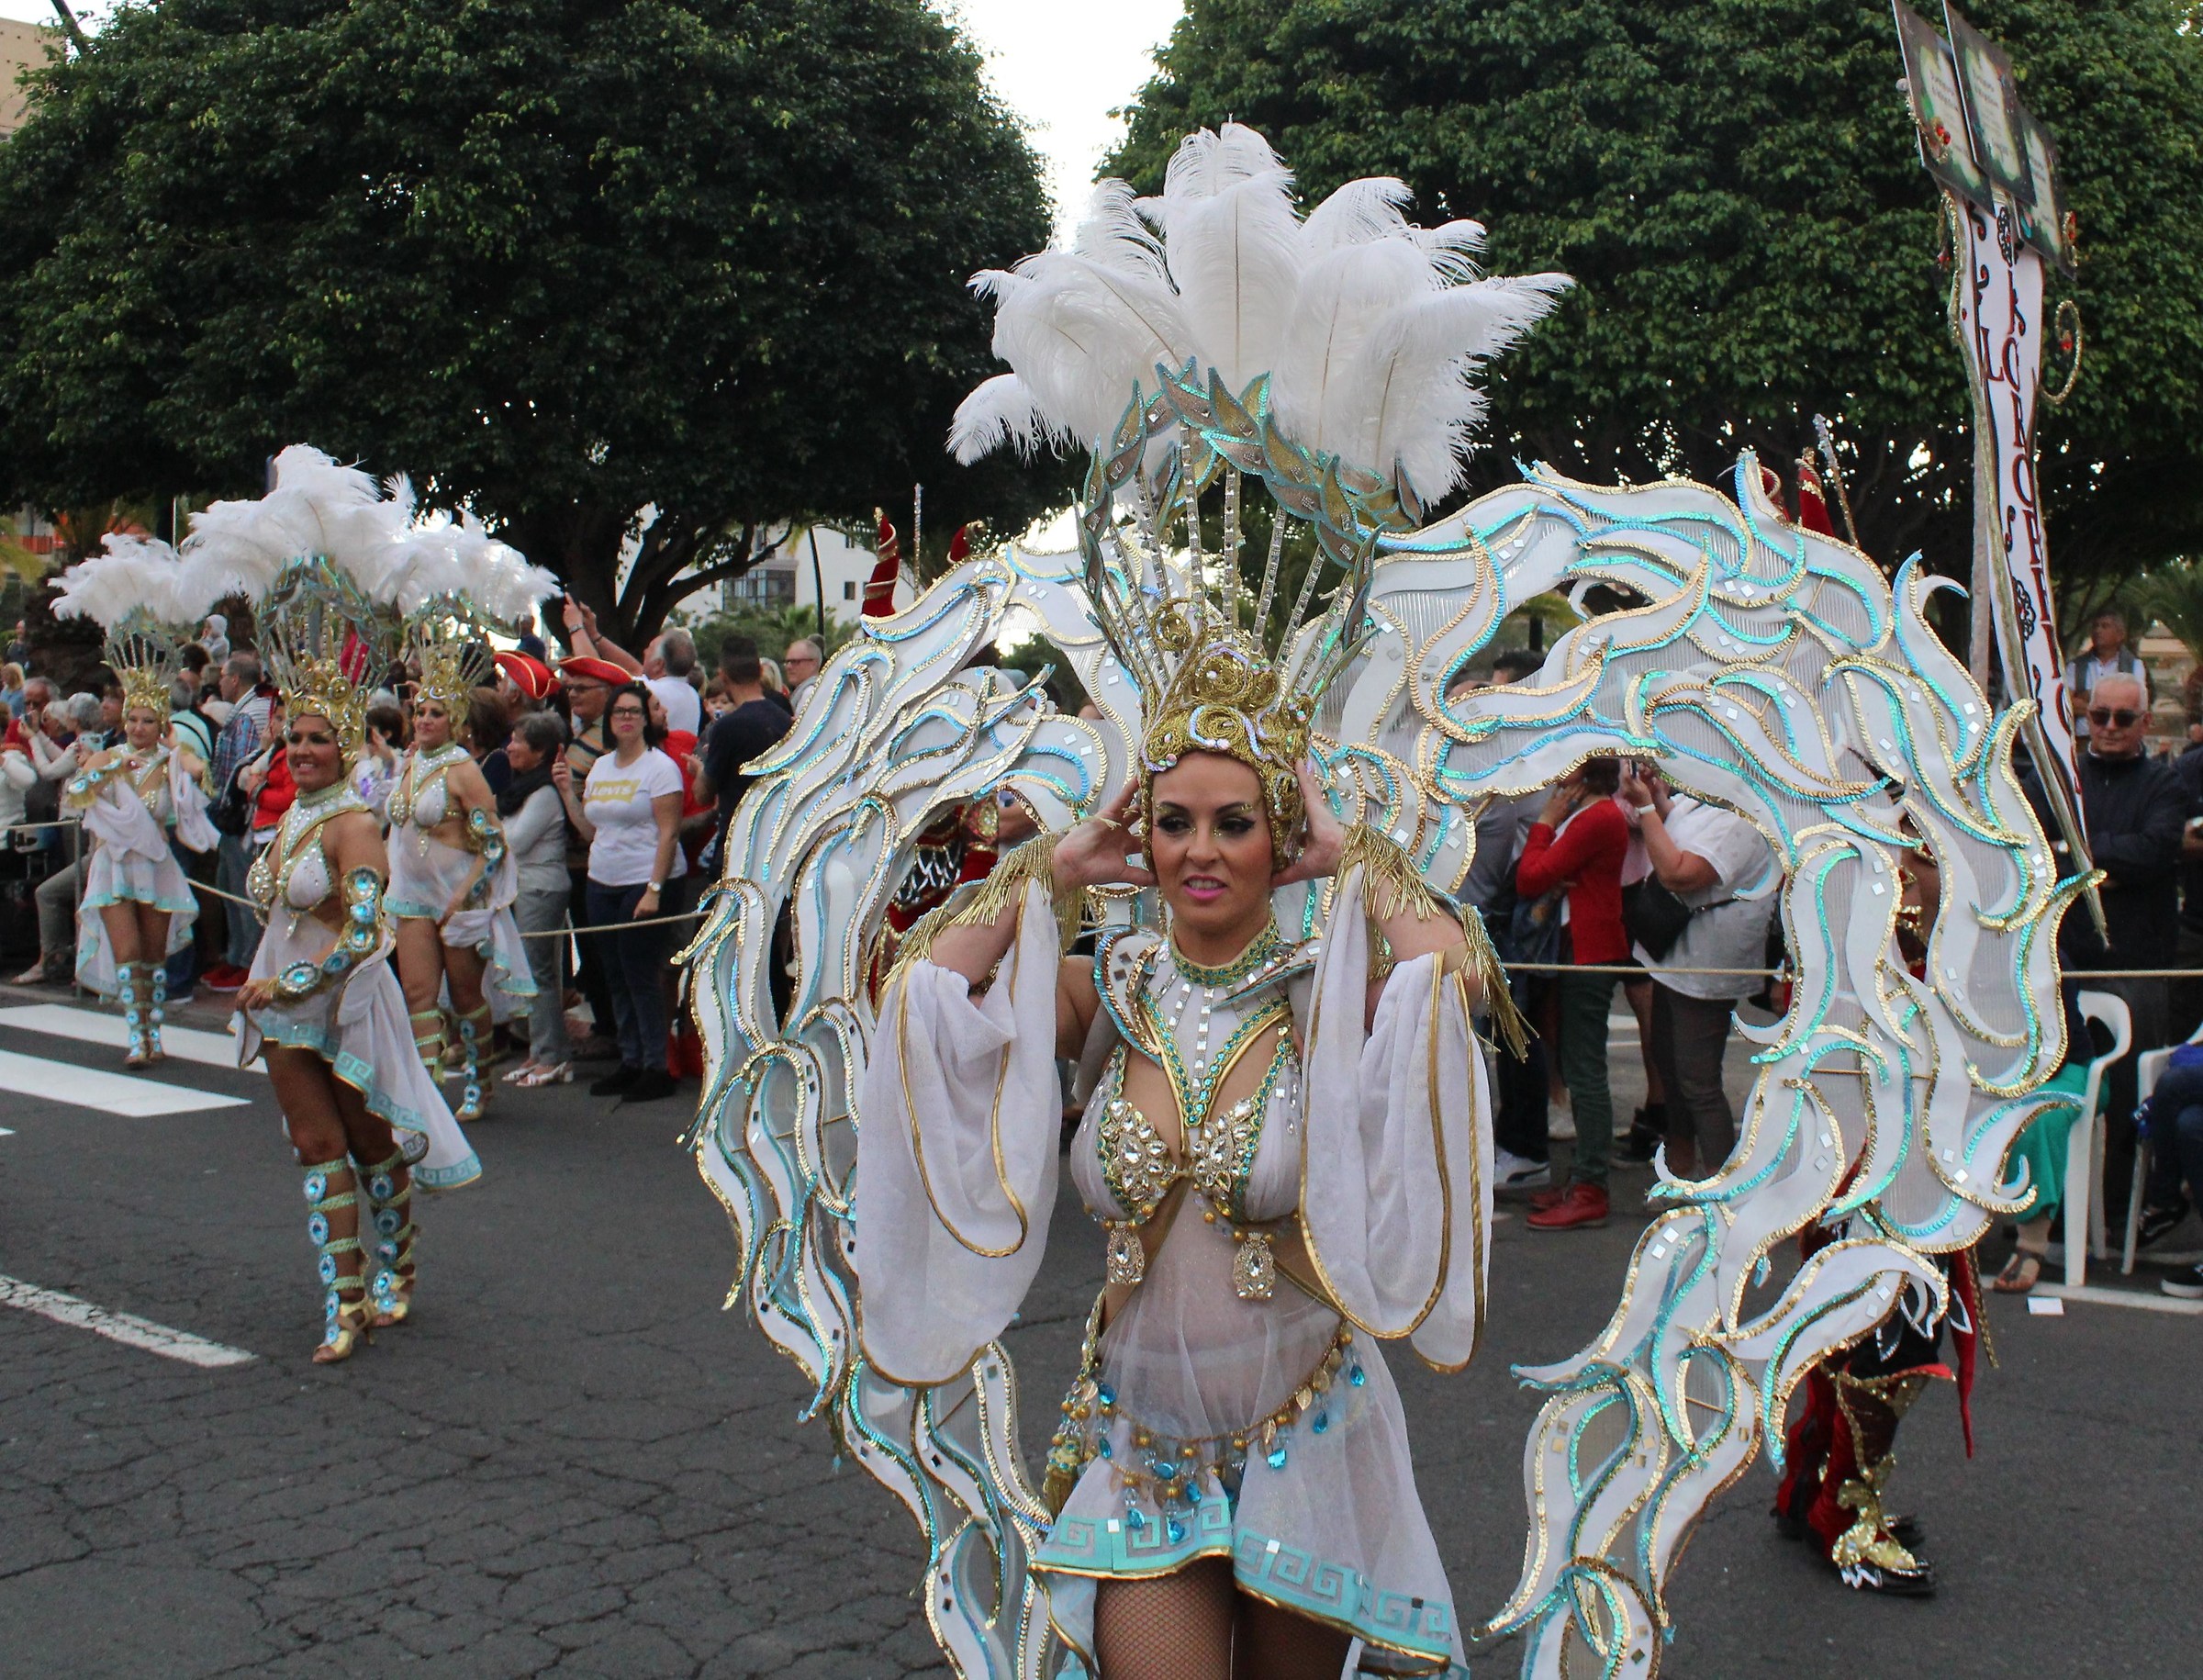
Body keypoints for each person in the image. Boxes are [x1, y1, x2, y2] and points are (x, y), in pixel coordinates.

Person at [857, 683, 1506, 1680]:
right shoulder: (1108, 990)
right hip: (1143, 1446)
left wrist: (1353, 859)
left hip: (1308, 1435)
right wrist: (1051, 871)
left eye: (1234, 823)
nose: (1200, 850)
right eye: (1174, 822)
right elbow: (920, 998)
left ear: (1277, 840)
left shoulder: (1324, 1001)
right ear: (1144, 836)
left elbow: (1460, 978)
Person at [230, 556, 481, 1364]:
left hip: (344, 1004)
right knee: (312, 1145)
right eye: (294, 737)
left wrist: (290, 982)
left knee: (371, 1142)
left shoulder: (355, 825)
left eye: (319, 739)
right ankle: (343, 1302)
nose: (303, 750)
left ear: (345, 745)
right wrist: (269, 985)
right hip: (282, 1006)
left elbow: (364, 932)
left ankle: (395, 1270)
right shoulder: (289, 817)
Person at [49, 563, 221, 1064]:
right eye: (133, 719)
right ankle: (136, 1038)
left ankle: (155, 1030)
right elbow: (79, 795)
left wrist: (177, 753)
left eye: (149, 720)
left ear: (161, 722)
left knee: (151, 956)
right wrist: (99, 773)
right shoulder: (109, 758)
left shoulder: (170, 762)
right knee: (127, 956)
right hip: (113, 865)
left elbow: (199, 774)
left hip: (155, 865)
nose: (139, 728)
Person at [386, 637, 534, 1126]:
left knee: (467, 998)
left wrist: (463, 894)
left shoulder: (463, 769)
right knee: (418, 995)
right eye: (420, 711)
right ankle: (428, 1086)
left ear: (456, 723)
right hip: (411, 894)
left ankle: (478, 1080)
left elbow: (493, 843)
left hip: (455, 896)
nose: (425, 719)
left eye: (436, 713)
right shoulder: (408, 763)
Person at [1617, 764, 1776, 1178]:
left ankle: (1722, 1185)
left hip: (1707, 964)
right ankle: (1682, 1167)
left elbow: (1679, 873)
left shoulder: (1745, 815)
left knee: (1698, 1081)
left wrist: (1646, 808)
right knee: (1670, 1068)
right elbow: (1678, 825)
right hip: (1672, 954)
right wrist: (1658, 800)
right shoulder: (1712, 794)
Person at [553, 679, 684, 1100]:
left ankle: (655, 1065)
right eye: (618, 713)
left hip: (643, 879)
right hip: (602, 880)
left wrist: (654, 888)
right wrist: (565, 795)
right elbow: (593, 830)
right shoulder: (602, 767)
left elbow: (668, 834)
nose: (625, 719)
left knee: (640, 972)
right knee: (613, 974)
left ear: (647, 719)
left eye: (633, 712)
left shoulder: (659, 768)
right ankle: (630, 1060)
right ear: (609, 721)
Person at [1515, 756, 1631, 1230]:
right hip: (1581, 947)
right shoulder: (1595, 814)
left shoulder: (1597, 817)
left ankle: (1590, 1186)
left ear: (1582, 773)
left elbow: (1530, 878)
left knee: (1585, 1070)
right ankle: (1583, 1178)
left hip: (1590, 952)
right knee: (1579, 1064)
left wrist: (1544, 825)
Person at [1453, 649, 1551, 1193]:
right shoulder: (1497, 771)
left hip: (1485, 925)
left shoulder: (1495, 785)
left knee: (1491, 1043)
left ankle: (1502, 1149)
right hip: (1483, 920)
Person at [498, 711, 574, 1088]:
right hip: (525, 886)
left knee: (539, 974)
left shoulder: (543, 794)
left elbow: (514, 841)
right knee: (531, 972)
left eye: (518, 741)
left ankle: (552, 1055)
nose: (510, 747)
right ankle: (539, 1050)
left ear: (540, 751)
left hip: (541, 887)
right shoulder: (525, 789)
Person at [555, 655, 625, 1055]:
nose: (573, 695)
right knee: (594, 952)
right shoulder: (585, 732)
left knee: (603, 955)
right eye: (570, 688)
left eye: (582, 688)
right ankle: (606, 1027)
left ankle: (611, 1033)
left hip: (595, 859)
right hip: (581, 859)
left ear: (607, 693)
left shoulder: (606, 739)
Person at [204, 652, 274, 991]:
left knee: (241, 888)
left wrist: (230, 798)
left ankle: (248, 961)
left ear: (234, 679)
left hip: (241, 819)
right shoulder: (250, 710)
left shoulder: (248, 716)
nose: (219, 682)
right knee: (227, 886)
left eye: (222, 676)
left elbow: (246, 769)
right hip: (235, 816)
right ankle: (236, 956)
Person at [695, 635, 789, 857]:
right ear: (759, 670)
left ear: (722, 676)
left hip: (737, 845)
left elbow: (704, 794)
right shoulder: (785, 720)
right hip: (777, 843)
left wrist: (699, 770)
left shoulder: (726, 727)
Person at [2067, 609, 2148, 745]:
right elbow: (2066, 704)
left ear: (2120, 634)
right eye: (2095, 626)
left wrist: (2087, 698)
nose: (2098, 631)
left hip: (2120, 740)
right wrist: (2111, 702)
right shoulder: (2076, 666)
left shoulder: (2134, 666)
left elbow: (2134, 703)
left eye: (2105, 626)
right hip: (2082, 741)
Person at [643, 627, 702, 734]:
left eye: (650, 648)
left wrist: (601, 640)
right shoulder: (693, 695)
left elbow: (615, 672)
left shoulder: (649, 690)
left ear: (658, 664)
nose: (645, 651)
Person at [781, 636, 822, 710]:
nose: (788, 667)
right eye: (787, 662)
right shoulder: (805, 691)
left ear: (813, 664)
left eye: (794, 662)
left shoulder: (810, 693)